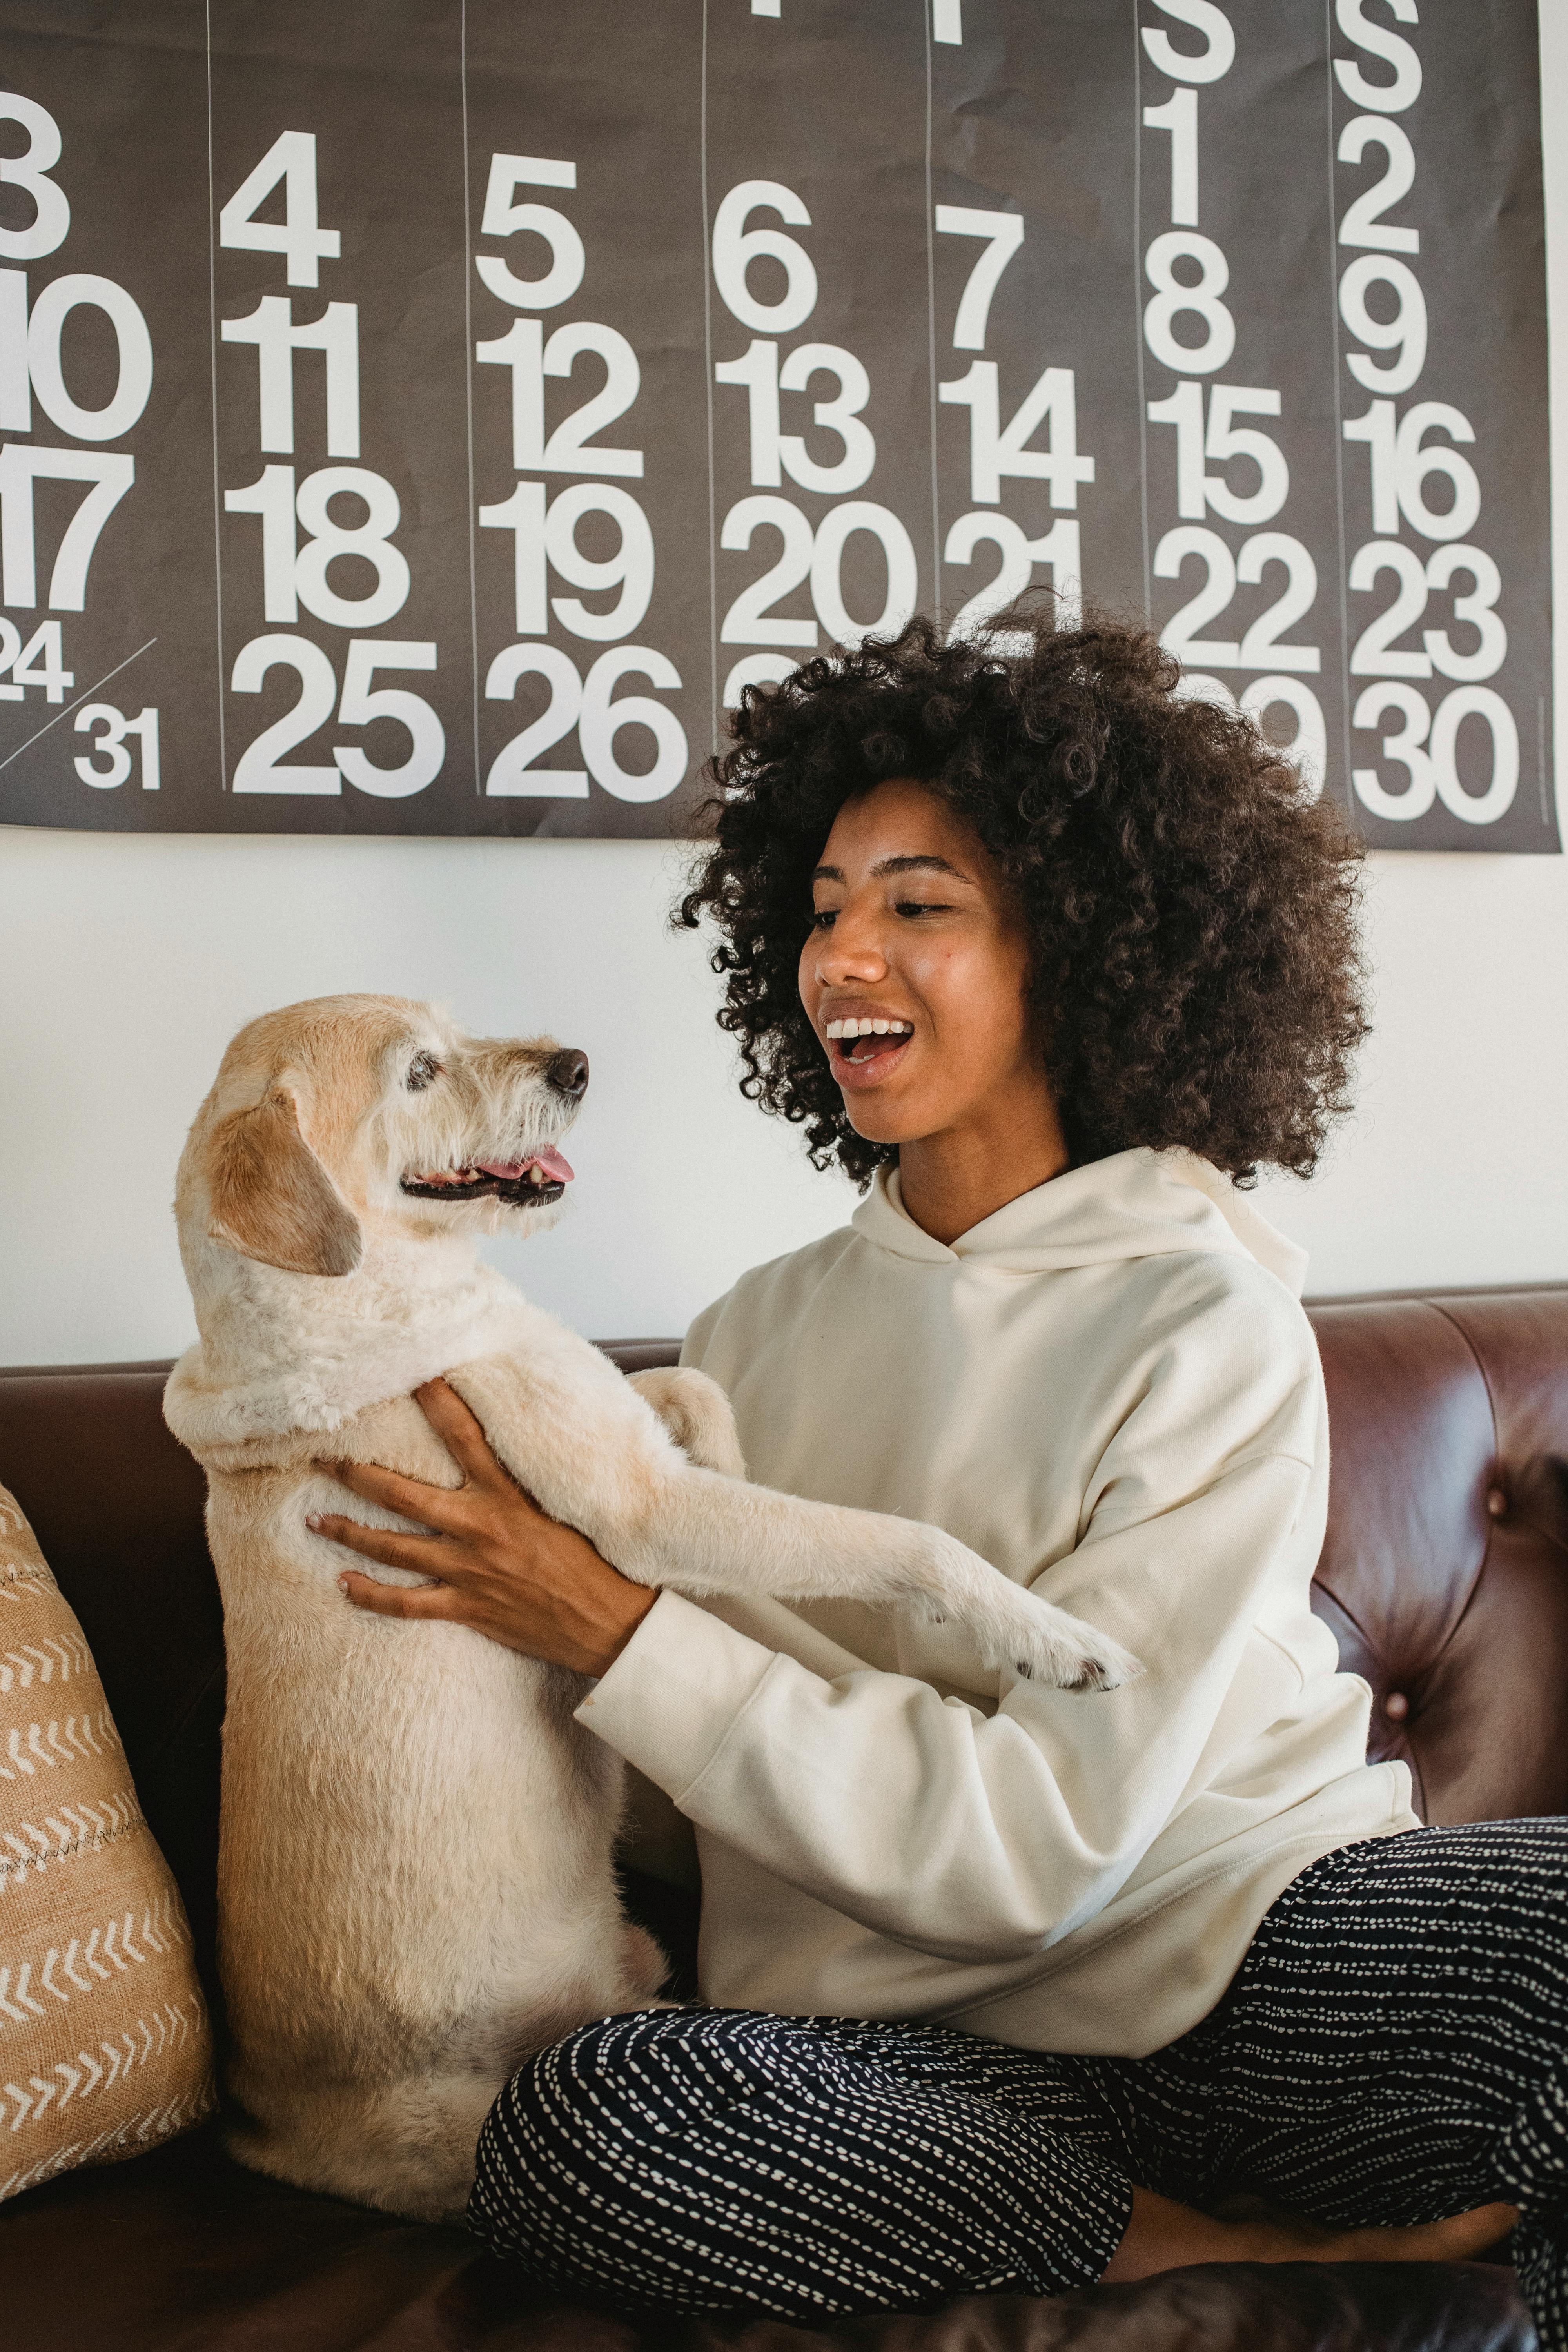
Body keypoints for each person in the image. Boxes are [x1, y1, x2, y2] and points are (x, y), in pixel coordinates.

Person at [310, 613, 1561, 2338]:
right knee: (584, 2125)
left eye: (918, 904)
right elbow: (697, 1795)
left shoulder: (1202, 1315)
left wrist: (611, 1631)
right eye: (823, 909)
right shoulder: (744, 1339)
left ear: (1087, 944)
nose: (843, 959)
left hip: (1255, 1948)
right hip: (910, 2061)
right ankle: (1250, 2271)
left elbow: (1046, 1844)